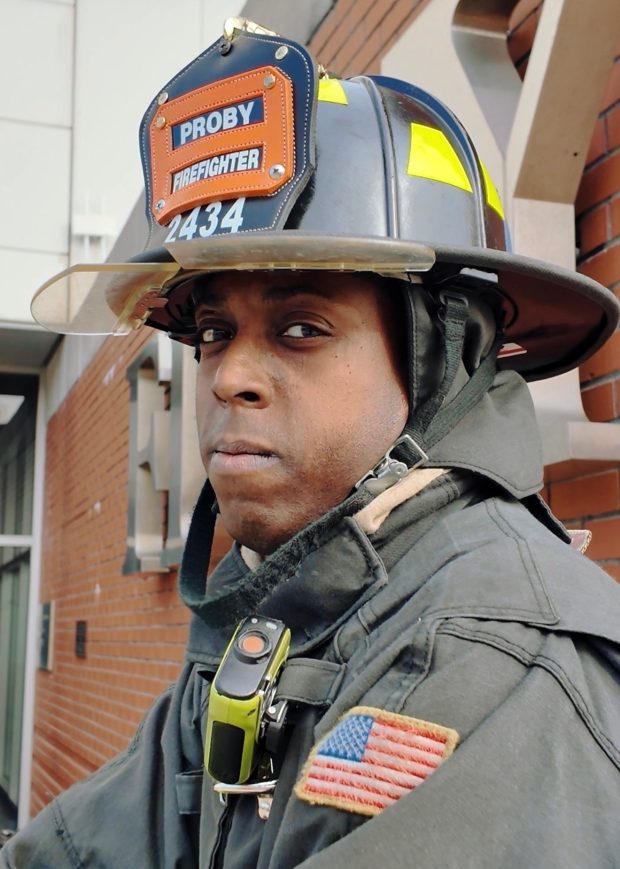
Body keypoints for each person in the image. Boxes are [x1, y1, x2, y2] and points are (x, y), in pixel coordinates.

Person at [5, 18, 620, 869]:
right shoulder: (284, 607)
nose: (227, 378)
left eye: (300, 327)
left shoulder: (500, 662)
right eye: (214, 332)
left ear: (445, 355)